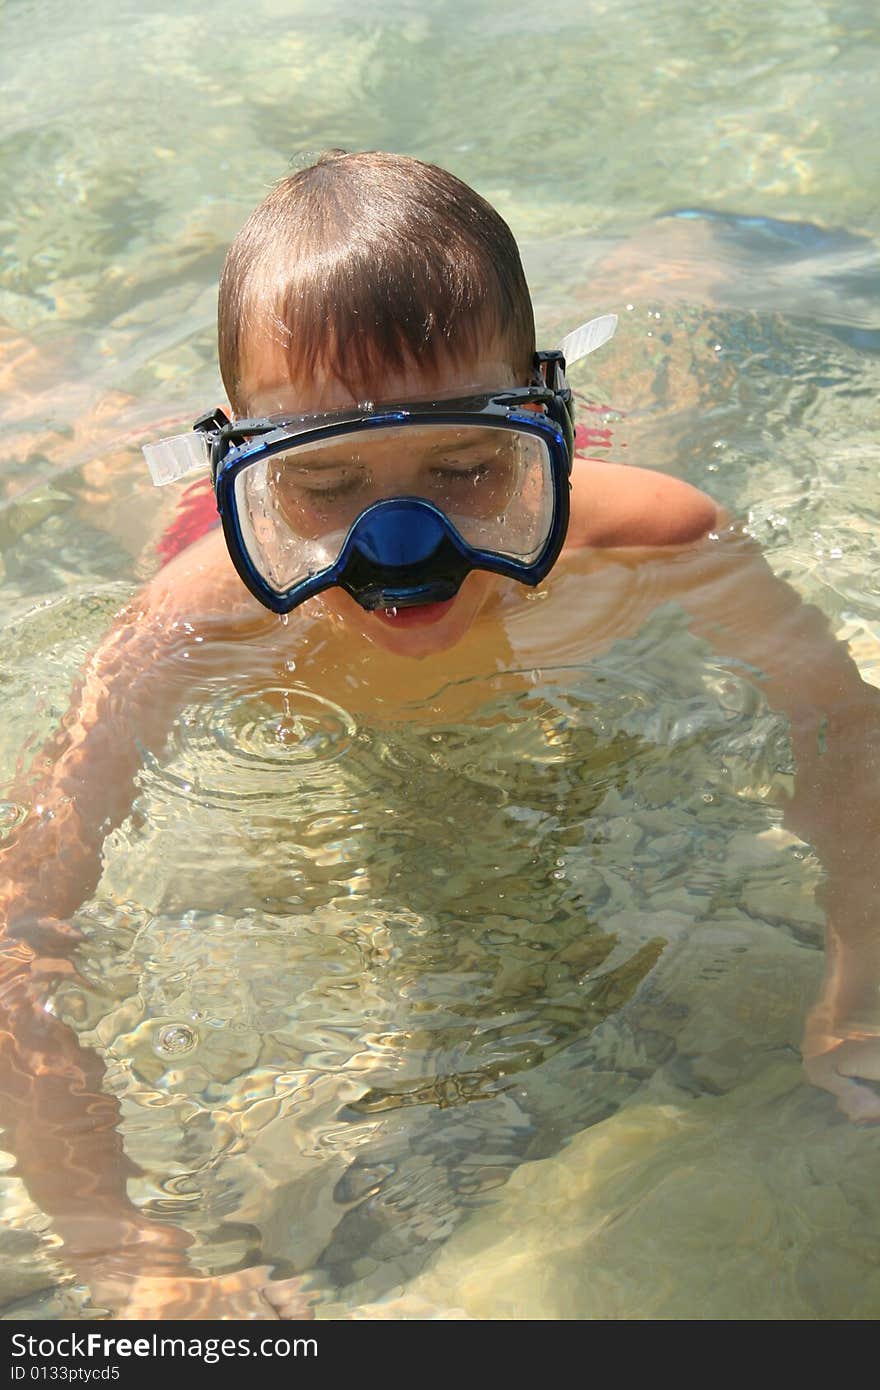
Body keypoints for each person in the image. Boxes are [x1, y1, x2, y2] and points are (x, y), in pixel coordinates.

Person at [1, 149, 878, 1319]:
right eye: (325, 485)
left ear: (535, 424)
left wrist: (863, 973)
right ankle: (40, 368)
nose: (400, 548)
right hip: (217, 554)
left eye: (465, 468)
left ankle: (683, 244)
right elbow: (25, 914)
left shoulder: (655, 537)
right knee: (96, 447)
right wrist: (119, 1244)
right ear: (247, 470)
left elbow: (840, 727)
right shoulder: (197, 621)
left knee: (682, 333)